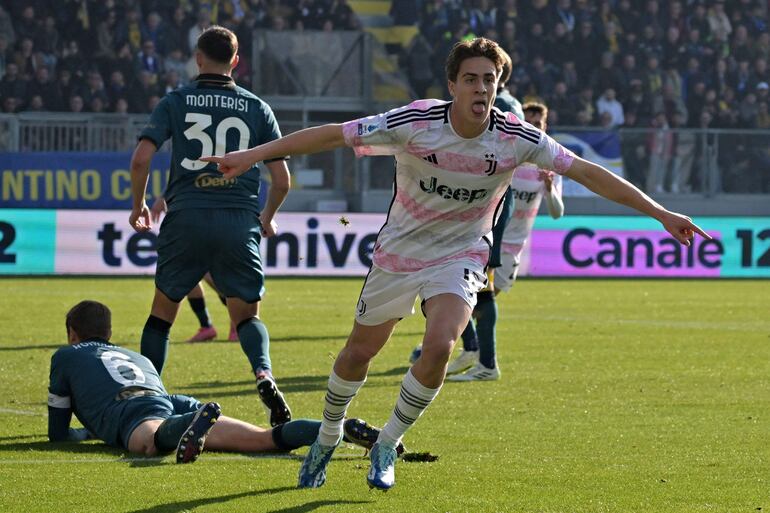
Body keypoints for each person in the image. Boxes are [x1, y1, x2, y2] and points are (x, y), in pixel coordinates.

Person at [203, 37, 708, 491]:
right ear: (452, 85)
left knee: (441, 345)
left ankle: (386, 443)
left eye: (490, 79)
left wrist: (660, 213)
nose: (481, 87)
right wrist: (252, 156)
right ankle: (328, 435)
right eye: (471, 78)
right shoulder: (415, 122)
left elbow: (588, 172)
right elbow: (334, 134)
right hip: (399, 253)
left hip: (461, 253)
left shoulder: (516, 137)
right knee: (359, 354)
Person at [128, 26, 292, 427]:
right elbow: (283, 179)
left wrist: (138, 207)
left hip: (186, 217)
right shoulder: (257, 107)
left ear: (198, 58)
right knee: (248, 316)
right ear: (236, 61)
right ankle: (264, 373)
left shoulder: (176, 101)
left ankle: (150, 397)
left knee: (162, 313)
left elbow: (140, 159)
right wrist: (265, 218)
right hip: (238, 220)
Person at [48, 300, 400, 462]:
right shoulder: (136, 356)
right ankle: (340, 427)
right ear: (109, 333)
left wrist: (87, 431)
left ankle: (189, 425)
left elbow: (58, 433)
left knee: (148, 443)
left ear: (72, 334)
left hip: (137, 409)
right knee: (265, 440)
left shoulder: (66, 355)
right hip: (167, 400)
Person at [448, 102, 563, 381]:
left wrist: (549, 190)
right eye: (529, 122)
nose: (533, 127)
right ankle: (474, 351)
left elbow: (558, 213)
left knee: (475, 301)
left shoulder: (547, 162)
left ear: (544, 126)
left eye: (538, 124)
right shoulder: (509, 155)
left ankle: (476, 352)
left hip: (511, 247)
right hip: (485, 239)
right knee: (467, 297)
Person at [150, 196, 237, 343]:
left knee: (210, 275)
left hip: (207, 223)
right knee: (188, 276)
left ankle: (239, 321)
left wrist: (163, 197)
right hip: (187, 225)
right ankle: (207, 326)